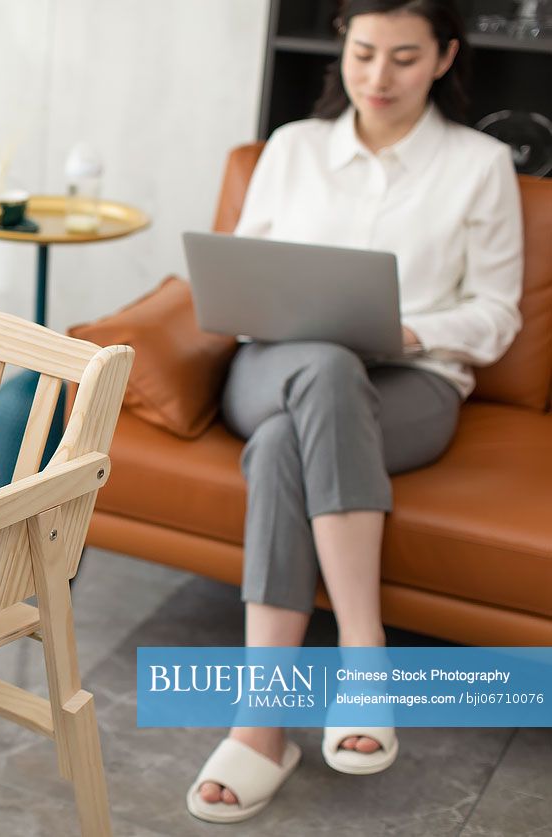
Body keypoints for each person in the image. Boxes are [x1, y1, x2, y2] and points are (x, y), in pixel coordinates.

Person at [187, 0, 523, 823]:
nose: (378, 76)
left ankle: (260, 726)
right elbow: (240, 279)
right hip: (273, 366)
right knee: (325, 366)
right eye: (364, 52)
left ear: (444, 57)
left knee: (282, 447)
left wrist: (406, 329)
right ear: (342, 46)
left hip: (410, 384)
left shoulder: (479, 165)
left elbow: (496, 314)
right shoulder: (292, 148)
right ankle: (362, 663)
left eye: (403, 58)